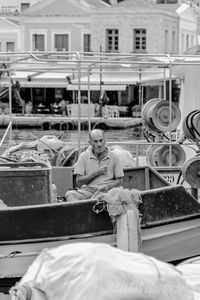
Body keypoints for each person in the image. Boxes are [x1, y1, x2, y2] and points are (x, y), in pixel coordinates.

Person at [65, 129, 124, 202]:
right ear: (90, 143)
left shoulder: (114, 156)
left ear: (105, 141)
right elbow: (79, 181)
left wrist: (107, 187)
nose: (99, 144)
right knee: (70, 194)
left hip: (108, 191)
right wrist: (96, 173)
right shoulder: (83, 156)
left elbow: (120, 180)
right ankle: (82, 212)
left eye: (101, 140)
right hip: (89, 191)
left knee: (119, 196)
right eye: (95, 141)